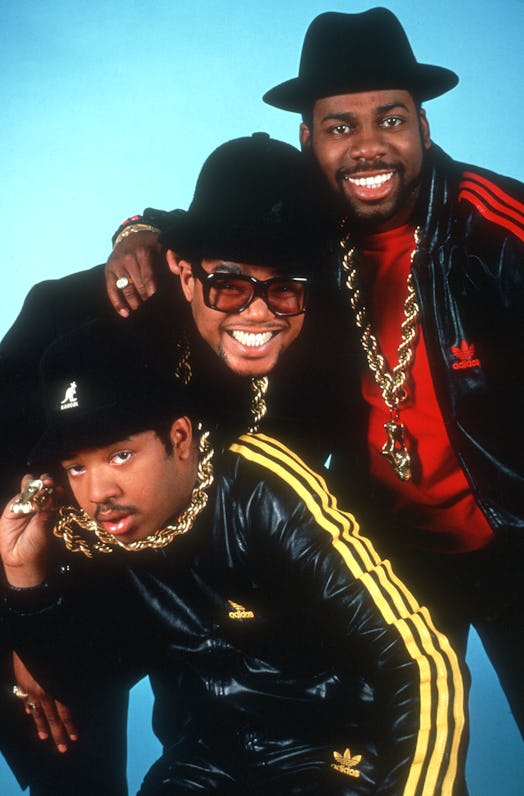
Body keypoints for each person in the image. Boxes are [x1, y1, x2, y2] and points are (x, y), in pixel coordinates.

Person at [104, 8, 524, 737]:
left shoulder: (495, 225)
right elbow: (209, 224)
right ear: (309, 142)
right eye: (340, 127)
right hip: (394, 548)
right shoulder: (304, 226)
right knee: (395, 751)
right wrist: (138, 230)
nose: (368, 148)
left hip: (512, 540)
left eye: (389, 120)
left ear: (423, 126)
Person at [1, 315, 468, 795]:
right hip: (207, 762)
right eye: (76, 467)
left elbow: (418, 660)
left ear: (179, 438)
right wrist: (24, 578)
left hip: (337, 753)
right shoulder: (100, 530)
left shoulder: (261, 488)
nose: (98, 491)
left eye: (120, 455)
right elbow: (83, 687)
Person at [0, 133, 329, 793]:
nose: (258, 308)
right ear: (185, 268)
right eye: (230, 282)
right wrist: (17, 628)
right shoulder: (80, 315)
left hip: (182, 595)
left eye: (285, 282)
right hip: (41, 579)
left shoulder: (313, 342)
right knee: (74, 771)